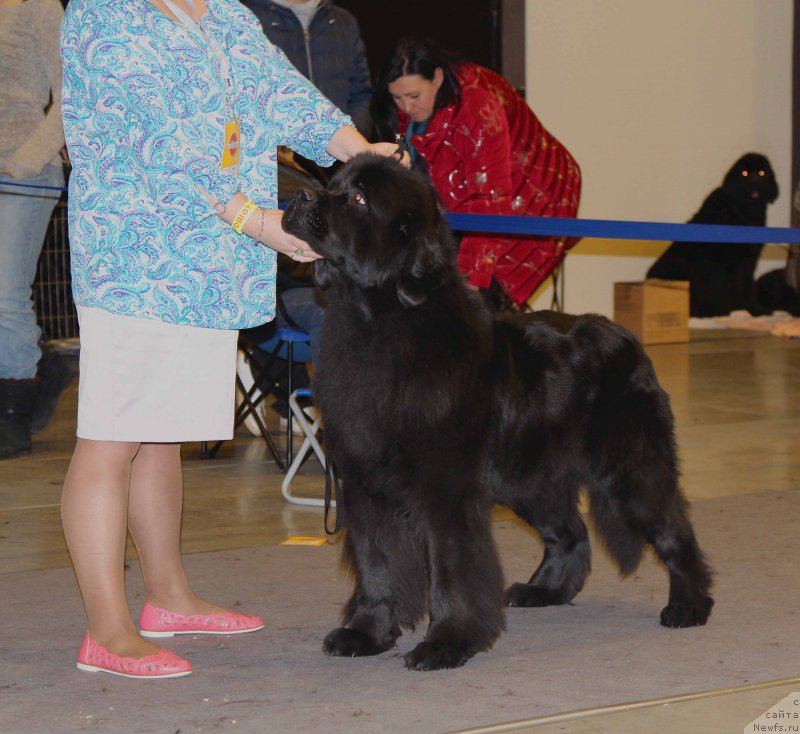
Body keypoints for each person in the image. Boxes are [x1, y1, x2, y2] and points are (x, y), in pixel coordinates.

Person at [60, 0, 403, 680]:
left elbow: (277, 91)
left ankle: (169, 598)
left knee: (160, 434)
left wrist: (362, 155)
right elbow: (161, 141)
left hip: (204, 264)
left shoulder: (221, 13)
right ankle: (107, 632)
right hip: (135, 260)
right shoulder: (106, 14)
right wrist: (258, 220)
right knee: (111, 438)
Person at [372, 37, 582, 310]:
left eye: (413, 96)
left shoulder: (478, 108)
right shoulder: (413, 101)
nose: (407, 108)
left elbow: (490, 203)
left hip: (533, 199)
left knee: (478, 305)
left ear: (437, 78)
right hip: (470, 204)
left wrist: (471, 280)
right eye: (397, 98)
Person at [0, 0, 66, 460]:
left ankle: (12, 415)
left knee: (5, 294)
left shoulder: (39, 7)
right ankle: (49, 363)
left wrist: (22, 162)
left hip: (23, 173)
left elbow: (71, 94)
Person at [240, 0, 373, 137]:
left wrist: (354, 137)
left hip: (343, 144)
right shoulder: (243, 18)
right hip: (277, 145)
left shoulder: (344, 21)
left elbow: (361, 93)